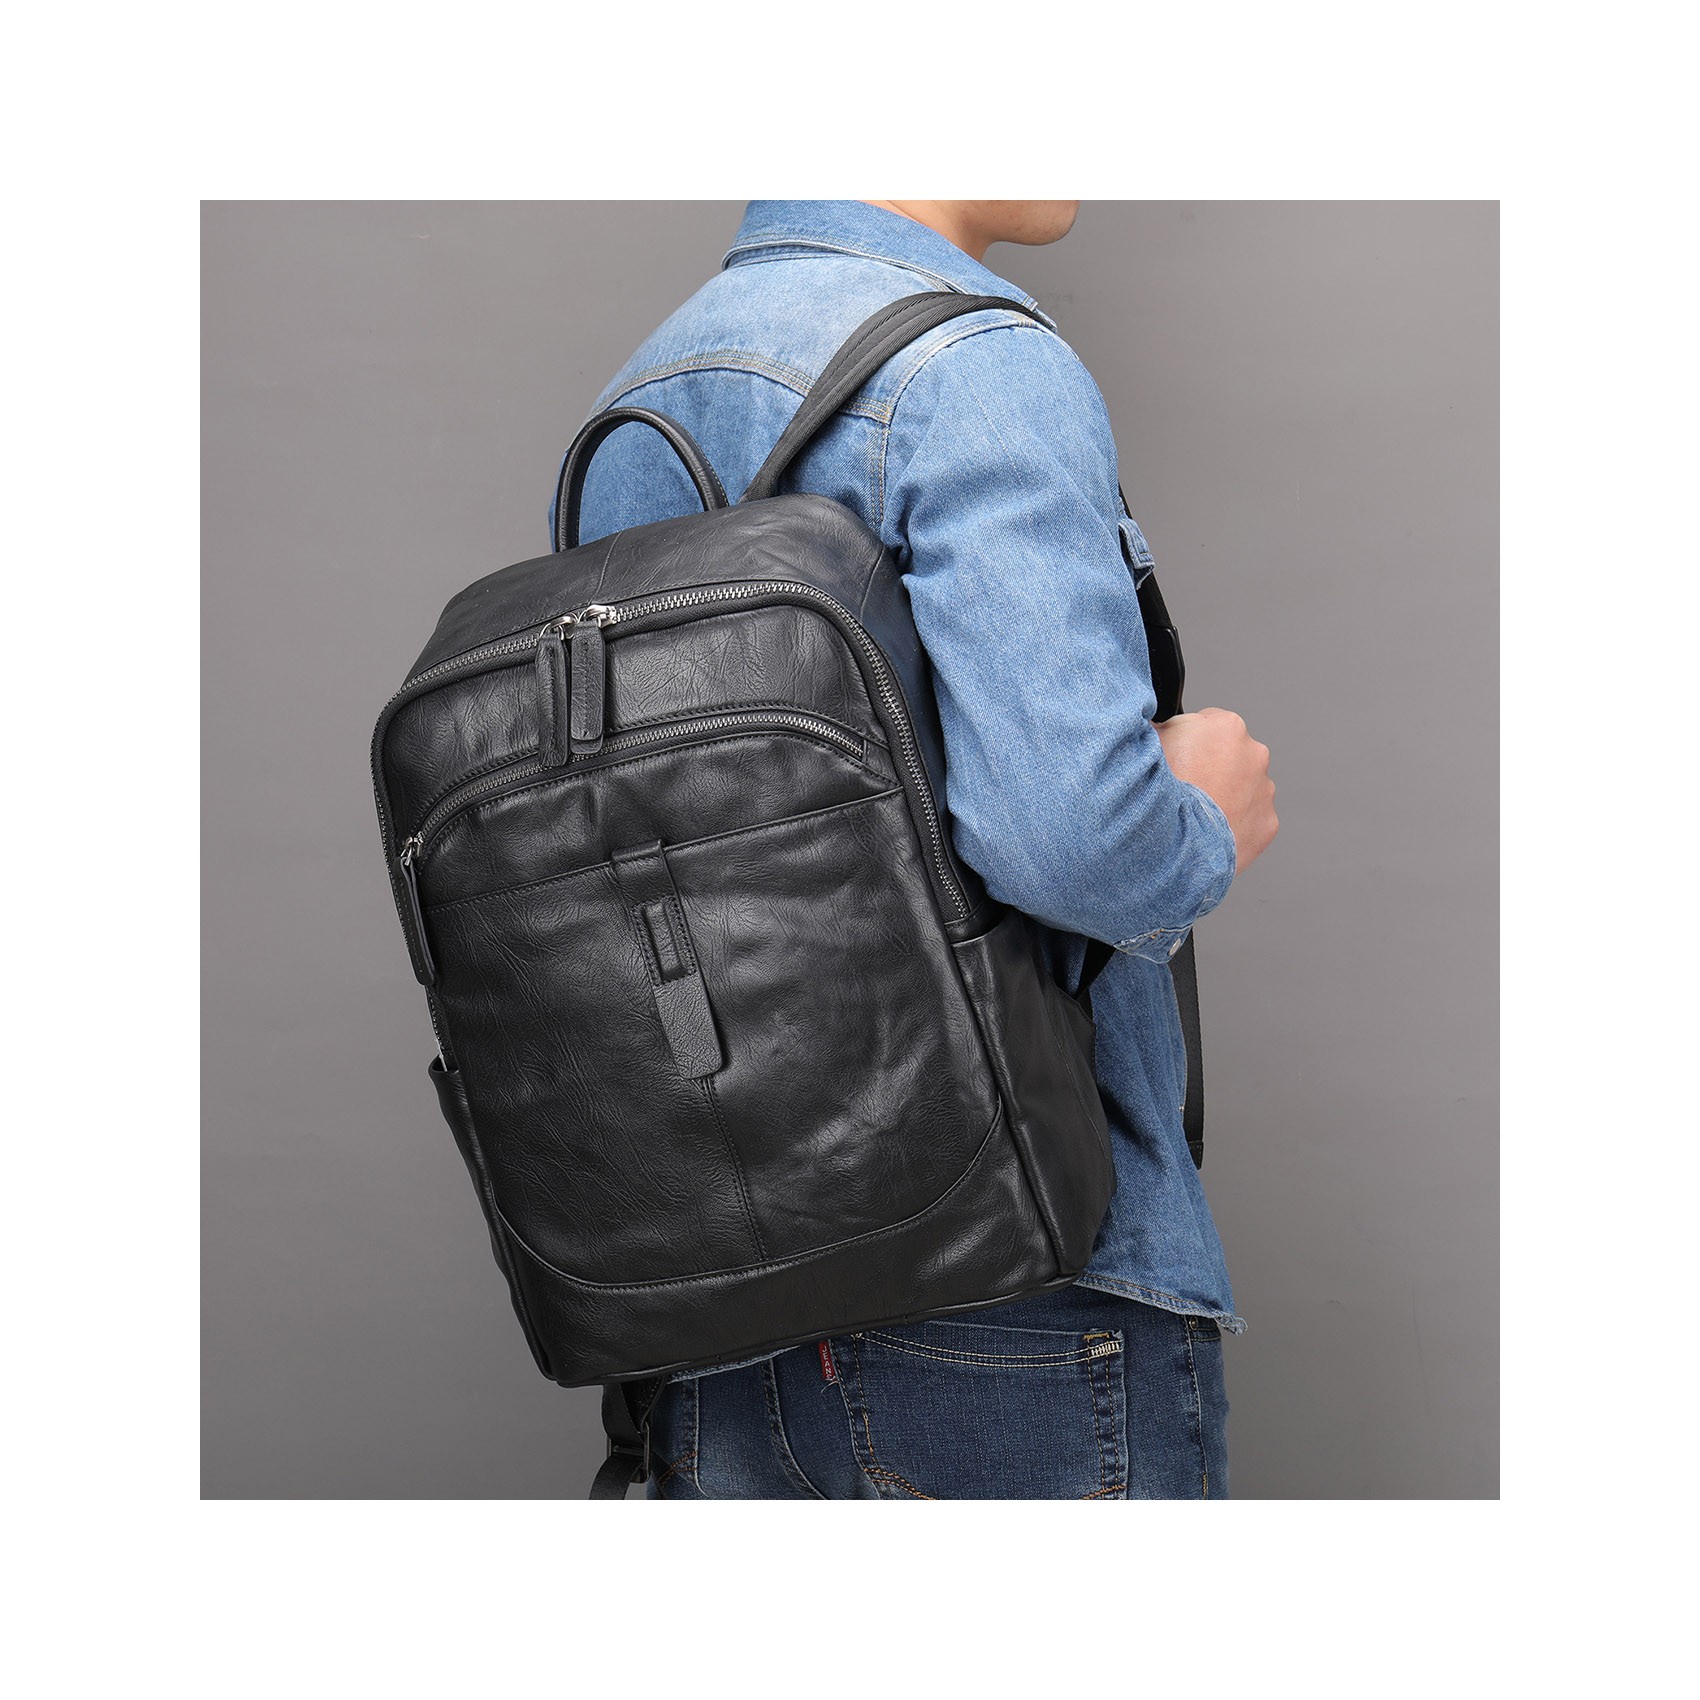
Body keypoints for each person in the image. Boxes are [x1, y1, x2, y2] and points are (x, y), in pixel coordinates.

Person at [568, 200, 1278, 1499]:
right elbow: (1073, 844)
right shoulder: (975, 371)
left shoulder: (644, 395)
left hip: (714, 1306)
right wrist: (1203, 820)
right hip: (1012, 1286)